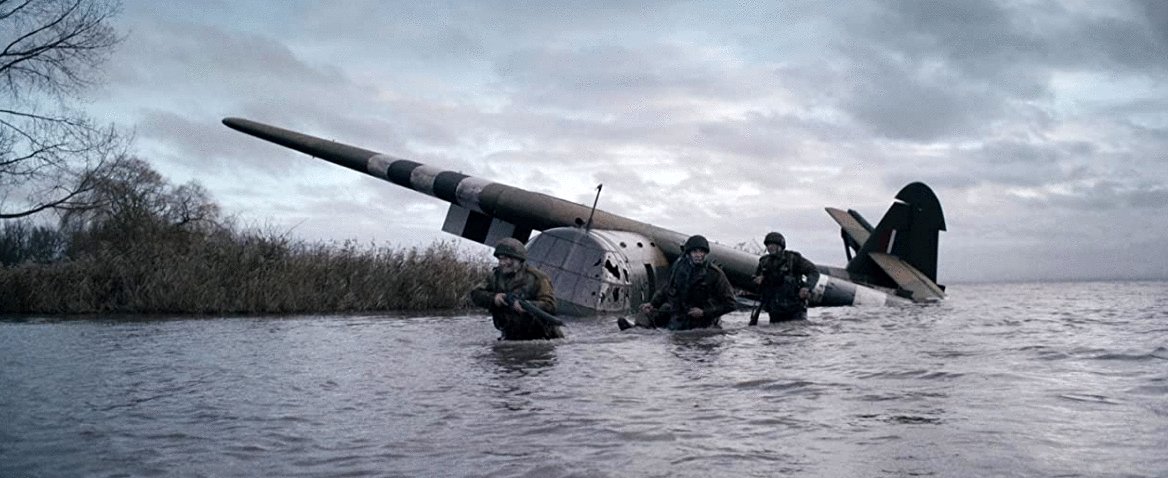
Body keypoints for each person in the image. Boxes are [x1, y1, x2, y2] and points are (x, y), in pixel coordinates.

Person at [620, 235, 736, 331]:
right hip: (679, 314)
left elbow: (731, 304)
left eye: (702, 252)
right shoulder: (679, 268)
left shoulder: (715, 274)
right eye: (695, 251)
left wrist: (704, 312)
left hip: (703, 320)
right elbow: (668, 288)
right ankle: (636, 331)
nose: (698, 255)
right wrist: (653, 304)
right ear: (689, 253)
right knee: (646, 312)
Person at [470, 238, 564, 340]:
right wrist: (494, 298)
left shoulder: (538, 278)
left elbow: (551, 305)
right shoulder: (494, 277)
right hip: (510, 335)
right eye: (500, 259)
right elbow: (475, 294)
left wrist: (528, 305)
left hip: (542, 337)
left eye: (506, 259)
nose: (502, 263)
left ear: (518, 260)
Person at [751, 231, 819, 324]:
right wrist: (758, 281)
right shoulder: (764, 262)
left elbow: (813, 271)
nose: (770, 247)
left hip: (795, 309)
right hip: (774, 310)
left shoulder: (793, 259)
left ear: (781, 246)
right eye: (768, 245)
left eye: (773, 245)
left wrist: (807, 287)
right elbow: (756, 284)